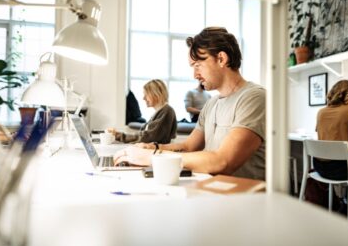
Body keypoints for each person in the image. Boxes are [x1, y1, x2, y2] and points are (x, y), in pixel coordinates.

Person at [114, 27, 266, 180]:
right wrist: (153, 147)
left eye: (197, 65)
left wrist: (151, 156)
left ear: (221, 59)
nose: (195, 75)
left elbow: (223, 161)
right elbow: (188, 147)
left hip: (245, 197)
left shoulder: (254, 98)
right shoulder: (212, 103)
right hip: (213, 192)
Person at [315, 80, 348, 202]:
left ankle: (341, 201)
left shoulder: (321, 112)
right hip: (340, 169)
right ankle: (346, 202)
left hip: (319, 167)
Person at [108, 79, 177, 144]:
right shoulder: (161, 111)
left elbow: (148, 137)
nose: (143, 98)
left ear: (156, 94)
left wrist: (118, 135)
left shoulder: (166, 111)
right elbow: (145, 135)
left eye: (146, 94)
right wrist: (118, 135)